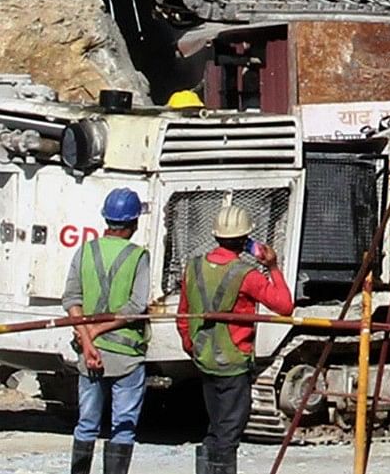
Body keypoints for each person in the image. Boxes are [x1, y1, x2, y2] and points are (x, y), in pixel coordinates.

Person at [176, 201, 295, 474]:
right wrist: (273, 267)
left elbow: (183, 312)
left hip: (204, 358)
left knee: (216, 428)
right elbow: (285, 306)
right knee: (229, 433)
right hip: (233, 362)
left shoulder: (193, 267)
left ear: (216, 235)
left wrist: (190, 343)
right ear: (244, 240)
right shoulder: (247, 275)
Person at [64, 188, 155, 474]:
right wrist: (100, 330)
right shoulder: (138, 256)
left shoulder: (86, 250)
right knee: (123, 428)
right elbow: (137, 306)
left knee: (86, 424)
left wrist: (88, 338)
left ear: (106, 219)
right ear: (134, 223)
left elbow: (71, 298)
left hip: (89, 354)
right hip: (126, 355)